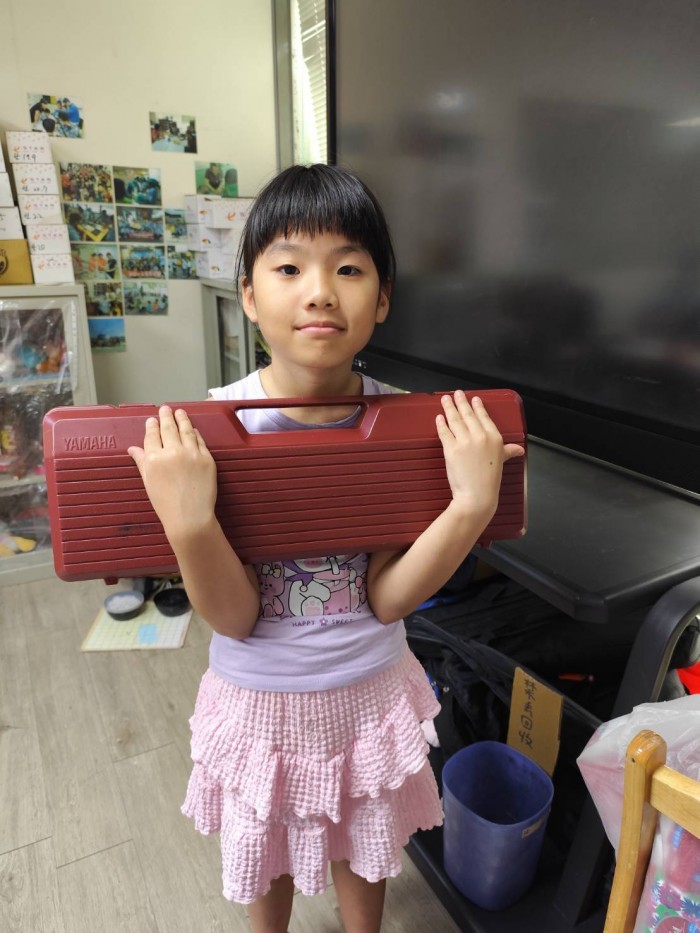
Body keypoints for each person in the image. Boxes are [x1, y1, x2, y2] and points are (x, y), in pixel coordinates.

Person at [127, 163, 524, 933]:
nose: (319, 291)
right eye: (288, 268)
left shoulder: (405, 422)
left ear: (381, 298)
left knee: (364, 842)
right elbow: (236, 617)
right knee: (266, 850)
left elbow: (386, 595)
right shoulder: (210, 429)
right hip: (261, 702)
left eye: (348, 268)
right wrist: (190, 524)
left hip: (369, 690)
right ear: (249, 294)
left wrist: (470, 505)